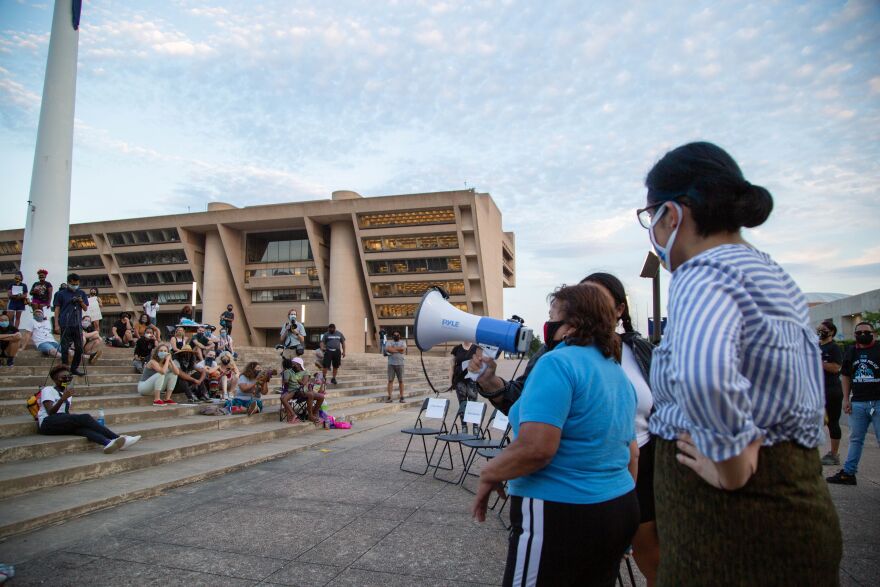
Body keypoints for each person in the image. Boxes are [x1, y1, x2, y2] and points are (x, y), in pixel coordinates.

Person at [638, 141, 840, 584]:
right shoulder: (772, 273)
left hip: (727, 529)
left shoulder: (702, 272)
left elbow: (704, 374)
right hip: (797, 506)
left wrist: (729, 461)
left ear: (673, 214)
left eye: (650, 216)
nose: (652, 231)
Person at [472, 283, 639, 586]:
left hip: (560, 511)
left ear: (571, 325)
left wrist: (491, 471)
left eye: (552, 317)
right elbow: (633, 453)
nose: (547, 326)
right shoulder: (614, 370)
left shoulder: (558, 362)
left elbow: (537, 448)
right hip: (619, 506)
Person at [581, 272, 659, 587]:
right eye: (584, 300)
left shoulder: (640, 350)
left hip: (649, 461)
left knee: (652, 555)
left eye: (599, 300)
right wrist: (491, 382)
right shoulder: (562, 352)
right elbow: (525, 404)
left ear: (620, 310)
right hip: (594, 467)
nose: (591, 308)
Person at [37, 364, 140, 454]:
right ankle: (117, 438)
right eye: (63, 377)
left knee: (82, 429)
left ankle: (108, 443)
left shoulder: (67, 392)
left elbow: (64, 413)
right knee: (85, 418)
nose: (67, 379)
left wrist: (71, 418)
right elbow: (51, 412)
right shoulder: (48, 390)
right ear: (55, 380)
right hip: (47, 423)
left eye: (69, 377)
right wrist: (63, 398)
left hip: (59, 421)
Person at [827, 322, 880, 486]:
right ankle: (849, 473)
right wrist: (846, 399)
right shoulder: (851, 350)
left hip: (878, 402)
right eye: (859, 332)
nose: (863, 334)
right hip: (858, 403)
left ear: (874, 334)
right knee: (855, 439)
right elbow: (845, 375)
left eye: (866, 331)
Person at [818, 321, 844, 466]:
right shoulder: (816, 346)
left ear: (831, 332)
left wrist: (818, 362)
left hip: (832, 390)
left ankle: (834, 455)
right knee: (815, 421)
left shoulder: (834, 348)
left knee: (832, 422)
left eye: (824, 329)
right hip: (817, 391)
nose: (820, 331)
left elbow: (836, 368)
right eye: (819, 329)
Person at [53, 273, 89, 376]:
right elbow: (57, 309)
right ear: (69, 283)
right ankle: (65, 368)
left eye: (77, 284)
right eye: (73, 284)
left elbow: (85, 308)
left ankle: (74, 368)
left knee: (79, 347)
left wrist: (81, 301)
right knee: (64, 348)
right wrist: (56, 324)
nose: (75, 285)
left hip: (77, 323)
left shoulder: (81, 292)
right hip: (65, 322)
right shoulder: (61, 294)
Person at [281, 357, 322, 423]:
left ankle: (314, 413)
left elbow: (304, 383)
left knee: (321, 397)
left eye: (295, 364)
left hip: (304, 390)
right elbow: (286, 383)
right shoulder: (291, 371)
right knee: (310, 394)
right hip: (296, 392)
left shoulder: (305, 372)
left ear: (299, 365)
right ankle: (310, 416)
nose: (293, 366)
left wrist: (296, 379)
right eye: (293, 364)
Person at [450, 341, 480, 408]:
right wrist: (450, 382)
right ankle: (463, 418)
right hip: (459, 380)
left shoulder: (477, 349)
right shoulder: (457, 348)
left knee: (473, 404)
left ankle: (472, 418)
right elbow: (452, 367)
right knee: (462, 404)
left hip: (472, 380)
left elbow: (481, 366)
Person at [385, 330, 406, 403]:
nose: (396, 336)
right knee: (390, 380)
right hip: (391, 364)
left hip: (400, 364)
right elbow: (388, 349)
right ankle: (390, 397)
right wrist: (398, 350)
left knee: (401, 381)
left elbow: (403, 349)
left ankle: (402, 397)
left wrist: (393, 349)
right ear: (392, 336)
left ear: (400, 336)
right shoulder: (389, 342)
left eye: (397, 335)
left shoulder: (403, 342)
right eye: (395, 335)